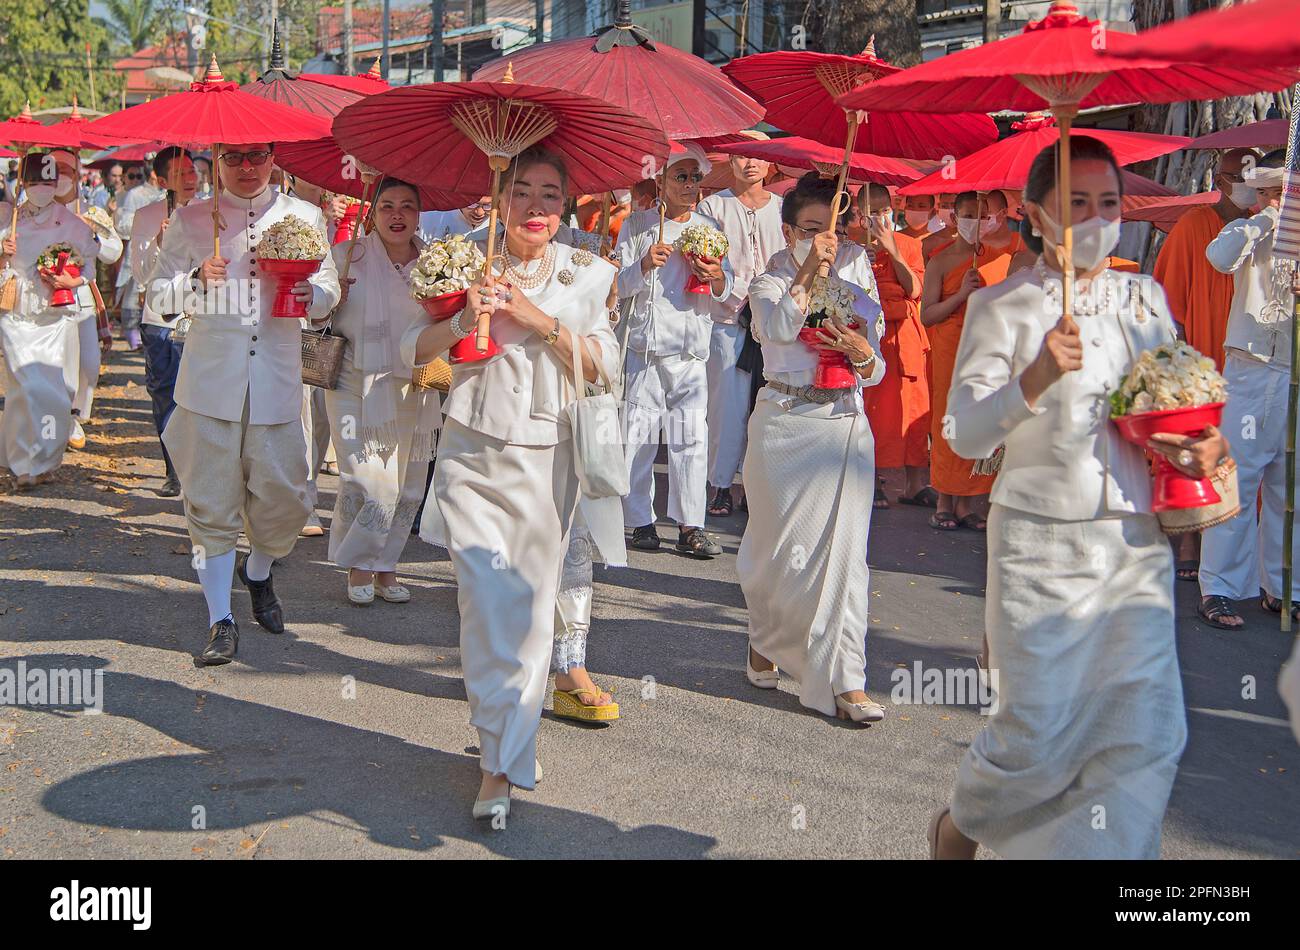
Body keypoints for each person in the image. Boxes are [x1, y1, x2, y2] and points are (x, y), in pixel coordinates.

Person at [932, 137, 1226, 859]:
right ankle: (960, 828)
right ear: (1035, 213)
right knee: (1036, 738)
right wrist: (1031, 381)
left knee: (1145, 731)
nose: (1096, 219)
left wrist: (1202, 440)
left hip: (1135, 543)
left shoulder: (1144, 297)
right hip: (1038, 546)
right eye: (1076, 204)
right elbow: (965, 434)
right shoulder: (1003, 306)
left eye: (1107, 204)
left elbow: (1173, 396)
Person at [401, 146, 621, 821]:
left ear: (567, 207)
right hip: (468, 452)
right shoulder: (462, 257)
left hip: (545, 459)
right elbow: (416, 352)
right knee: (483, 605)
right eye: (520, 191)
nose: (533, 207)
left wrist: (538, 320)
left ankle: (501, 762)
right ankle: (502, 747)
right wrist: (464, 319)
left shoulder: (590, 273)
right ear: (498, 199)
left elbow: (603, 368)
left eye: (549, 194)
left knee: (527, 613)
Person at [150, 142, 340, 665]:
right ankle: (220, 619)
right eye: (234, 158)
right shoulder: (191, 219)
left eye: (257, 155)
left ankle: (256, 571)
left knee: (286, 501)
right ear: (217, 160)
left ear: (275, 156)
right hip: (211, 382)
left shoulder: (304, 215)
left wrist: (314, 298)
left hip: (277, 380)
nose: (248, 168)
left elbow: (326, 285)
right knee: (209, 504)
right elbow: (156, 301)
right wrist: (193, 282)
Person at [741, 173, 887, 723]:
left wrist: (860, 352)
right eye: (811, 230)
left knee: (845, 559)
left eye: (834, 229)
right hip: (783, 422)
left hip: (843, 424)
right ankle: (766, 636)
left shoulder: (857, 286)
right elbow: (778, 329)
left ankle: (846, 677)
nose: (827, 241)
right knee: (776, 550)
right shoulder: (767, 282)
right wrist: (808, 271)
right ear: (788, 232)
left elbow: (876, 370)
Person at [321, 178, 439, 604]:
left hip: (415, 385)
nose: (397, 215)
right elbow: (313, 314)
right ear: (371, 212)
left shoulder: (438, 263)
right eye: (387, 205)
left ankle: (386, 565)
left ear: (419, 214)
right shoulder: (345, 256)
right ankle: (359, 564)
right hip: (356, 383)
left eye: (407, 206)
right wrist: (333, 297)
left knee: (407, 484)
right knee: (370, 481)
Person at [1197, 152, 1300, 629]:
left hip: (1295, 369)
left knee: (1290, 487)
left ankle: (1285, 589)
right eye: (1264, 191)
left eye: (1276, 191)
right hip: (1253, 366)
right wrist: (1265, 219)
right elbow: (1218, 259)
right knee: (1236, 480)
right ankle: (1218, 588)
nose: (1268, 197)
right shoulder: (1252, 229)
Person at [616, 142, 733, 557]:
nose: (689, 185)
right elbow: (616, 288)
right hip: (645, 349)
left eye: (695, 178)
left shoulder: (710, 227)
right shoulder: (637, 226)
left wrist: (716, 275)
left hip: (690, 350)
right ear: (661, 181)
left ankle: (690, 525)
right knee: (638, 437)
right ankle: (639, 521)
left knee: (690, 439)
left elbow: (727, 291)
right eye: (680, 177)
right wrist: (644, 264)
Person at [921, 189, 1023, 531]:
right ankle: (944, 499)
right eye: (967, 214)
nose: (975, 223)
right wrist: (963, 294)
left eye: (982, 216)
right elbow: (928, 315)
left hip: (987, 349)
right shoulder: (941, 260)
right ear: (953, 217)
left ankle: (967, 503)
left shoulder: (1001, 259)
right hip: (950, 348)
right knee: (948, 419)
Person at [697, 133, 786, 519]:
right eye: (742, 156)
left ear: (770, 164)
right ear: (730, 163)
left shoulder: (784, 209)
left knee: (769, 405)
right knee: (726, 406)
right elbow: (704, 261)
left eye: (758, 156)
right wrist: (737, 296)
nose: (750, 163)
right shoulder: (712, 207)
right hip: (727, 318)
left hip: (776, 321)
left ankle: (757, 483)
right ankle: (720, 484)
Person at [0, 155, 98, 488]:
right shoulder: (8, 219)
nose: (42, 190)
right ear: (23, 184)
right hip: (15, 313)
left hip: (54, 316)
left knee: (53, 392)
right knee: (24, 389)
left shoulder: (72, 224)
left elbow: (90, 269)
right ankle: (19, 461)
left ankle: (45, 456)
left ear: (56, 185)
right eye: (35, 183)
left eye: (48, 183)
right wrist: (3, 252)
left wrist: (75, 281)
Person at [857, 182, 932, 508]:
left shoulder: (908, 244)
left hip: (904, 337)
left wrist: (894, 251)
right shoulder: (852, 247)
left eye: (884, 210)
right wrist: (862, 259)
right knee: (871, 410)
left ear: (894, 210)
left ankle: (916, 484)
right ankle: (869, 480)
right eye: (872, 212)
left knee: (914, 408)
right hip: (871, 336)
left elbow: (915, 290)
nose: (879, 217)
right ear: (859, 215)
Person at [1154, 149, 1258, 374]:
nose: (1249, 185)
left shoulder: (1262, 226)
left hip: (1251, 357)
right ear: (1220, 182)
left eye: (1255, 179)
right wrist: (1178, 361)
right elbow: (1169, 300)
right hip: (1201, 355)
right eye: (1241, 179)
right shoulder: (1193, 224)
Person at [46, 149, 122, 449]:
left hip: (83, 299)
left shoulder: (91, 212)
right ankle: (61, 420)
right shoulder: (34, 211)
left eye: (68, 170)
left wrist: (91, 236)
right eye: (57, 169)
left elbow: (113, 251)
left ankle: (75, 411)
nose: (62, 176)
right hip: (48, 301)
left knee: (88, 365)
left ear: (78, 176)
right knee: (56, 365)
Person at [135, 147, 199, 498]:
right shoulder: (146, 216)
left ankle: (199, 469)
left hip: (201, 318)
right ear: (162, 181)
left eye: (192, 170)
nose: (190, 178)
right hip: (161, 321)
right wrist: (158, 245)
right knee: (166, 396)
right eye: (179, 173)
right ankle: (173, 469)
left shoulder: (211, 211)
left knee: (198, 397)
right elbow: (142, 276)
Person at [113, 164, 157, 350]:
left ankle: (142, 338)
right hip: (140, 249)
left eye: (139, 176)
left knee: (143, 295)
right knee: (135, 294)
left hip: (153, 250)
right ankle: (135, 338)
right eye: (132, 176)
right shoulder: (135, 195)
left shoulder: (157, 194)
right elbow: (122, 226)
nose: (136, 180)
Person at [418, 196, 491, 243]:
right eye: (473, 204)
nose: (479, 212)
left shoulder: (499, 226)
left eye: (488, 206)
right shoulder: (430, 217)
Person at [922, 192, 958, 260]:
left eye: (953, 205)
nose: (949, 210)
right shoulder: (928, 242)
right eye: (944, 206)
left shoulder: (973, 241)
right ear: (939, 208)